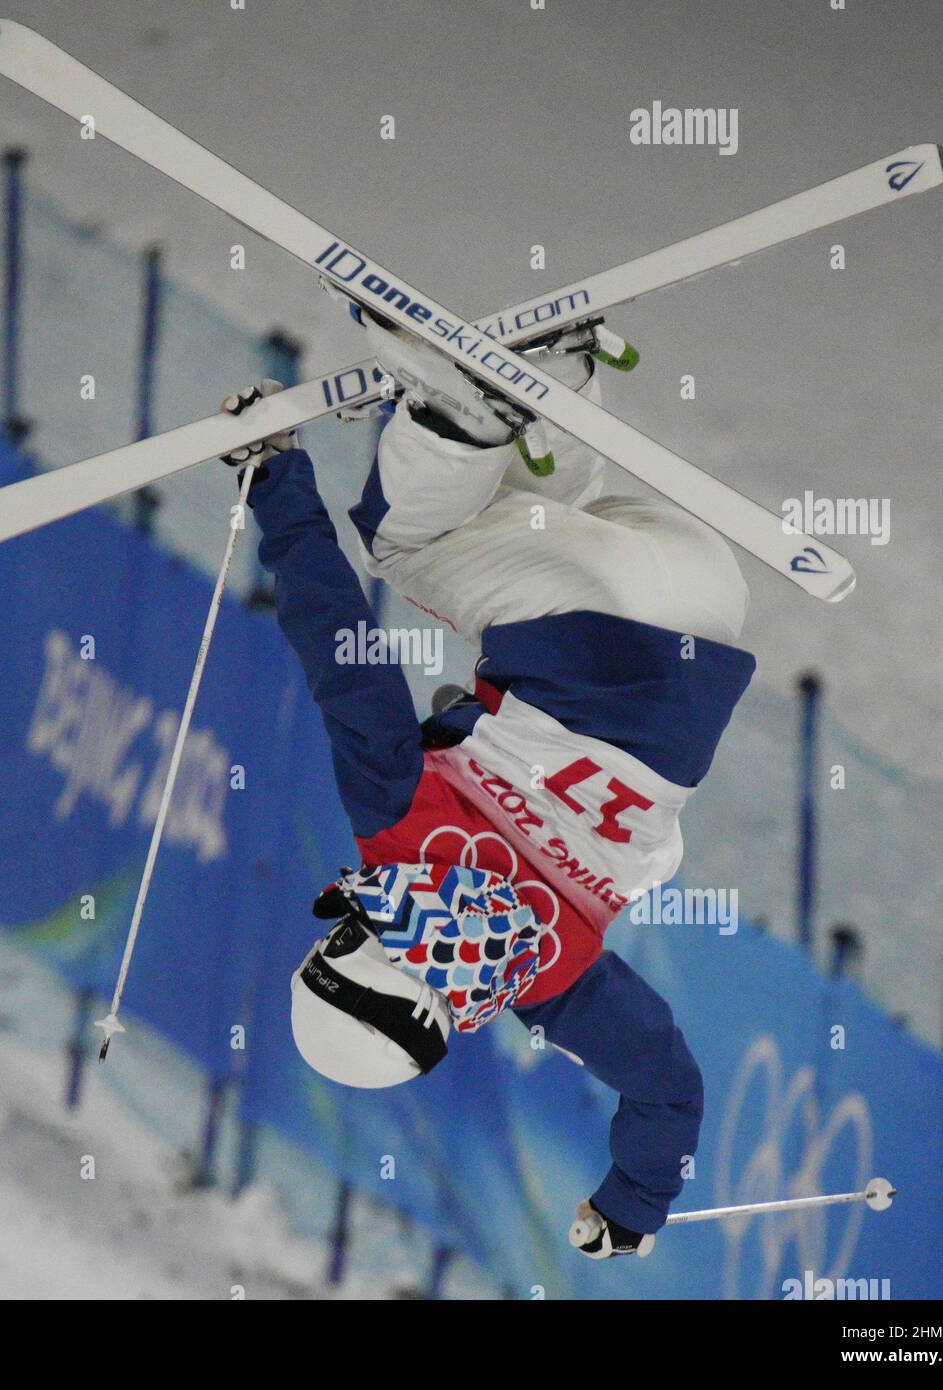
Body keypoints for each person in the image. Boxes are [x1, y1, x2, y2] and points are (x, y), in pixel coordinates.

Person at [220, 311, 755, 1258]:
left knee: (532, 533)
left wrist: (633, 1206)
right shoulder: (398, 834)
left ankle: (559, 384)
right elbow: (343, 656)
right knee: (405, 545)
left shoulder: (556, 984)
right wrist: (275, 478)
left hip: (707, 598)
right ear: (352, 950)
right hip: (590, 609)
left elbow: (668, 1085)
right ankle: (459, 422)